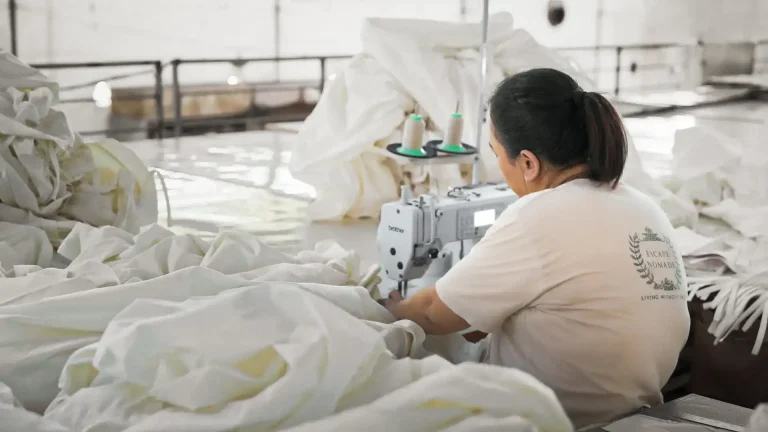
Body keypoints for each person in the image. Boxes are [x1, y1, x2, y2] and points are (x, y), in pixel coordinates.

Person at [381, 68, 690, 428]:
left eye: (497, 154)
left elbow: (433, 313)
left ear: (528, 162)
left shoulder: (537, 215)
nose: (499, 168)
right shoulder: (643, 205)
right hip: (636, 410)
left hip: (558, 422)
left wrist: (390, 305)